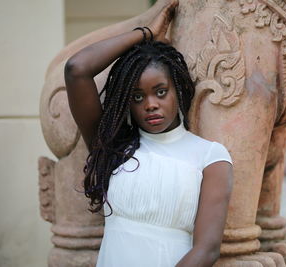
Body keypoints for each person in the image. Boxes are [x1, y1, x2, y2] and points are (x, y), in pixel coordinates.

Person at [64, 1, 233, 266]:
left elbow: (207, 250)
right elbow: (77, 70)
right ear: (127, 102)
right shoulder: (115, 147)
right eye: (137, 96)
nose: (150, 103)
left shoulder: (210, 157)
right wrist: (145, 34)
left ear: (178, 89)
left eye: (160, 91)